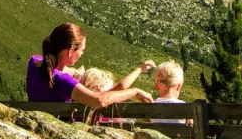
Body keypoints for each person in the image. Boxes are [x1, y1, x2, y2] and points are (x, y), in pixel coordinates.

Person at [26, 23, 154, 109]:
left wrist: (74, 72)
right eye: (81, 50)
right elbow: (100, 101)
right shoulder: (64, 81)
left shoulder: (34, 62)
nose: (81, 54)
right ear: (71, 51)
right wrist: (135, 91)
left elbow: (55, 68)